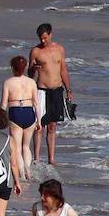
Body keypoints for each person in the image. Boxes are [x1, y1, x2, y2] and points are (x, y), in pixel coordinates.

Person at [27, 23, 72, 166]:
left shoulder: (59, 49)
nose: (43, 41)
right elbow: (29, 73)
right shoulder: (35, 51)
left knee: (53, 126)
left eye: (45, 38)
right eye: (41, 38)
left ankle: (51, 159)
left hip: (57, 90)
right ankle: (36, 158)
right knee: (39, 126)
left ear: (50, 34)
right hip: (42, 90)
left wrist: (68, 90)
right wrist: (33, 68)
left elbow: (63, 70)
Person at [1, 55, 40, 180]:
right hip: (29, 113)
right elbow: (36, 103)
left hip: (15, 112)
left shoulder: (8, 82)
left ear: (13, 67)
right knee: (26, 146)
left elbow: (3, 104)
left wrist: (1, 120)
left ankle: (22, 173)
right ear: (25, 67)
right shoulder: (31, 82)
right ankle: (28, 171)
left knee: (16, 147)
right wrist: (39, 120)